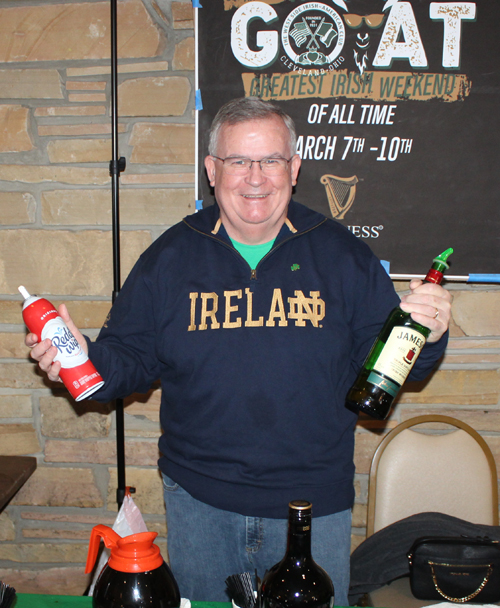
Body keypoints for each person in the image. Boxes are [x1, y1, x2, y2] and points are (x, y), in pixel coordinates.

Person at [26, 97, 452, 605]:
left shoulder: (344, 256)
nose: (256, 177)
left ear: (293, 169)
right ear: (212, 169)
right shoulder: (170, 257)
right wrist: (77, 358)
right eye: (238, 161)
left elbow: (391, 366)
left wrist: (429, 333)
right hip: (200, 506)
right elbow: (127, 361)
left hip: (312, 510)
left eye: (271, 160)